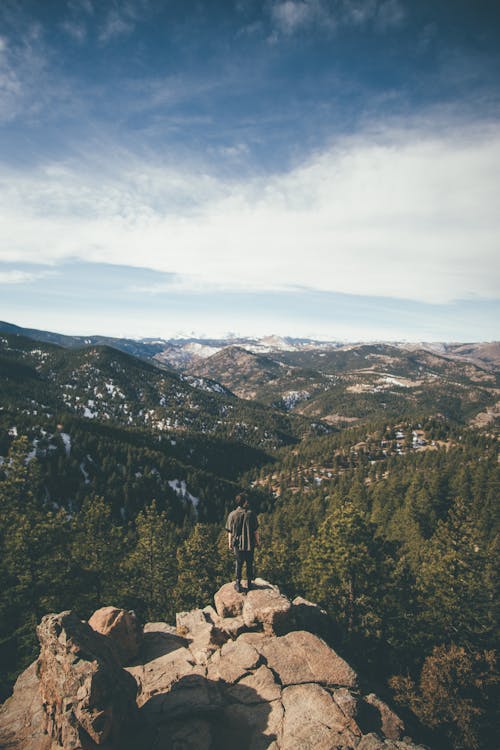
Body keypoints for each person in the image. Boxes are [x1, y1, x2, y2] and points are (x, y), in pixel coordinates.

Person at [225, 493, 259, 593]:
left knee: (239, 563)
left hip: (238, 543)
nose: (248, 502)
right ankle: (249, 583)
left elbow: (230, 532)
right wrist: (258, 542)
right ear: (244, 502)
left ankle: (238, 583)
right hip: (250, 543)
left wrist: (229, 543)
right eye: (246, 501)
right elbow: (255, 531)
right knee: (249, 563)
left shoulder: (232, 514)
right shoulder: (251, 514)